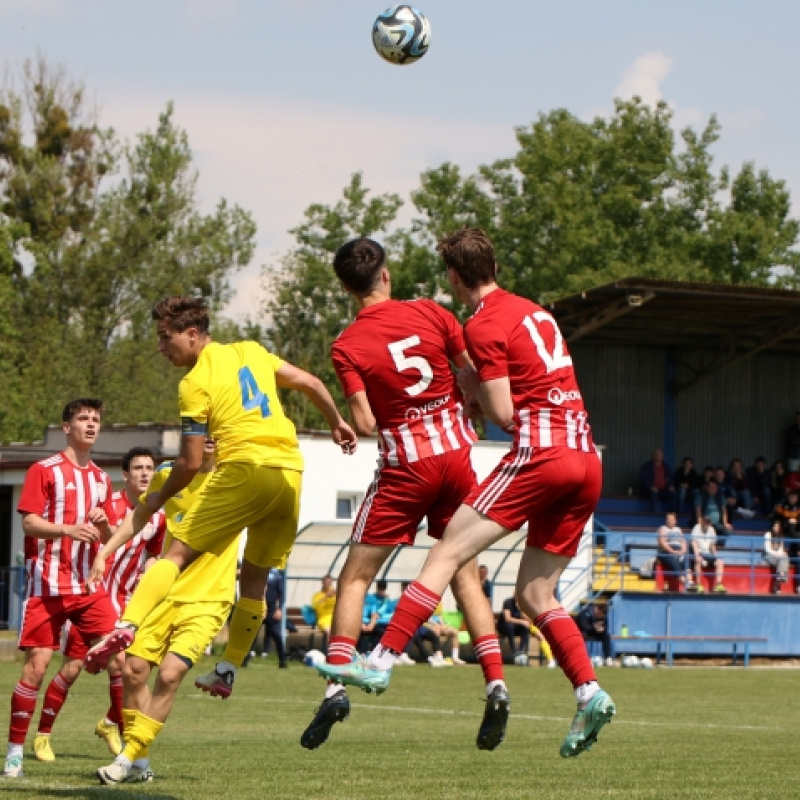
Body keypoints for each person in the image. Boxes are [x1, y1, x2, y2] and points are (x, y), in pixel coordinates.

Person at [317, 228, 614, 759]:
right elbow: (512, 378)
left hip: (535, 455)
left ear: (454, 277)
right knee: (535, 596)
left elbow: (502, 412)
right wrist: (473, 398)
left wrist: (481, 402)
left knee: (445, 553)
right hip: (587, 456)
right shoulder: (533, 311)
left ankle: (381, 660)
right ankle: (588, 691)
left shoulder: (481, 324)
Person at [83, 296, 357, 701]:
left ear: (192, 335)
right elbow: (312, 383)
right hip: (289, 475)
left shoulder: (193, 383)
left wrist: (158, 496)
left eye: (165, 338)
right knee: (255, 580)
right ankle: (228, 668)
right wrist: (337, 423)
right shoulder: (251, 350)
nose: (161, 347)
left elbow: (191, 462)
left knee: (173, 557)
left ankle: (127, 624)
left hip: (244, 470)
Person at [300, 238, 506, 753]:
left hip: (406, 467)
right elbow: (471, 374)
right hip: (458, 456)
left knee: (355, 576)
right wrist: (470, 408)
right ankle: (496, 683)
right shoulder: (431, 312)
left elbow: (367, 421)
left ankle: (335, 687)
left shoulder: (346, 344)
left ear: (346, 287)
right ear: (386, 275)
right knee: (461, 573)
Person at [91, 438, 239, 784]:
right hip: (166, 592)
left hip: (209, 599)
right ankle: (139, 764)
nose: (211, 438)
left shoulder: (237, 480)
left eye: (217, 429)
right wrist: (105, 552)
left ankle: (126, 758)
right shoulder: (170, 476)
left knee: (170, 674)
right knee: (134, 671)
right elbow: (139, 515)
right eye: (204, 430)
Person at [4, 398, 117, 779]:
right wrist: (68, 529)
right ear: (66, 427)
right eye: (83, 418)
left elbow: (110, 534)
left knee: (122, 655)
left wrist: (102, 524)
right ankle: (15, 753)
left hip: (87, 586)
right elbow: (30, 524)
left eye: (96, 419)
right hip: (48, 585)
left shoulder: (101, 479)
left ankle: (132, 755)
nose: (90, 424)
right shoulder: (43, 469)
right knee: (36, 667)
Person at [31, 447, 166, 765]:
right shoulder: (108, 505)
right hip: (95, 598)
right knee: (73, 668)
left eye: (149, 468)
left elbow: (154, 557)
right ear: (126, 475)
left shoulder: (158, 516)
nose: (145, 473)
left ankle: (112, 726)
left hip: (130, 603)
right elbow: (86, 539)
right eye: (138, 468)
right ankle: (43, 736)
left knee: (132, 670)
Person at [257, 568, 287, 667]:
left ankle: (283, 661)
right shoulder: (258, 569)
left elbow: (282, 594)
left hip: (272, 610)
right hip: (259, 606)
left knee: (276, 635)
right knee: (251, 634)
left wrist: (279, 609)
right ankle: (242, 661)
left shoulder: (276, 574)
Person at [688, 516, 726, 593]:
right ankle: (698, 585)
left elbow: (712, 545)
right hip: (700, 553)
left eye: (708, 522)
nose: (707, 523)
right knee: (698, 560)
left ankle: (718, 585)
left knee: (720, 562)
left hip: (708, 554)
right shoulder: (696, 528)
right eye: (706, 521)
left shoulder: (711, 530)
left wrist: (715, 556)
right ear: (701, 521)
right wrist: (697, 555)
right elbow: (693, 542)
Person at [656, 512, 690, 591]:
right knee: (673, 559)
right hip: (666, 552)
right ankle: (684, 581)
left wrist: (682, 551)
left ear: (675, 521)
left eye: (671, 519)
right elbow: (662, 543)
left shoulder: (678, 529)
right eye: (668, 519)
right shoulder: (663, 528)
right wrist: (672, 551)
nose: (669, 521)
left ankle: (690, 581)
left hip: (678, 551)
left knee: (686, 560)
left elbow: (683, 542)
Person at [693, 479, 732, 548]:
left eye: (714, 487)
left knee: (728, 531)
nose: (712, 489)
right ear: (707, 488)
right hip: (705, 523)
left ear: (717, 488)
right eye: (710, 487)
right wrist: (699, 522)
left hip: (717, 524)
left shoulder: (720, 497)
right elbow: (698, 510)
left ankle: (719, 546)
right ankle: (706, 547)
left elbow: (724, 511)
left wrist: (725, 523)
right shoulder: (701, 496)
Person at [497, 596, 531, 660]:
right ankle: (514, 651)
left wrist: (520, 610)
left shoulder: (523, 603)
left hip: (516, 628)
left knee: (525, 627)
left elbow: (528, 620)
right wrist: (521, 622)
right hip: (504, 627)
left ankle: (521, 651)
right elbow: (507, 619)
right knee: (510, 626)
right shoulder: (508, 602)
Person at [310, 575, 337, 651]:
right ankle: (330, 651)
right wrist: (325, 596)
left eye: (330, 582)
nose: (328, 584)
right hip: (323, 619)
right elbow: (313, 606)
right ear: (322, 583)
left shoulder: (335, 595)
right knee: (329, 630)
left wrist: (337, 594)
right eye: (327, 582)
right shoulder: (317, 595)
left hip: (334, 618)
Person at [764, 521, 789, 594]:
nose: (776, 528)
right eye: (775, 526)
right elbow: (767, 549)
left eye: (777, 527)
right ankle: (778, 584)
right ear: (772, 527)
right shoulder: (768, 535)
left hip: (778, 556)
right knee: (782, 560)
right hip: (768, 555)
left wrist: (781, 554)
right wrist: (776, 554)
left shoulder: (780, 536)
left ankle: (777, 582)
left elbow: (781, 549)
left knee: (785, 557)